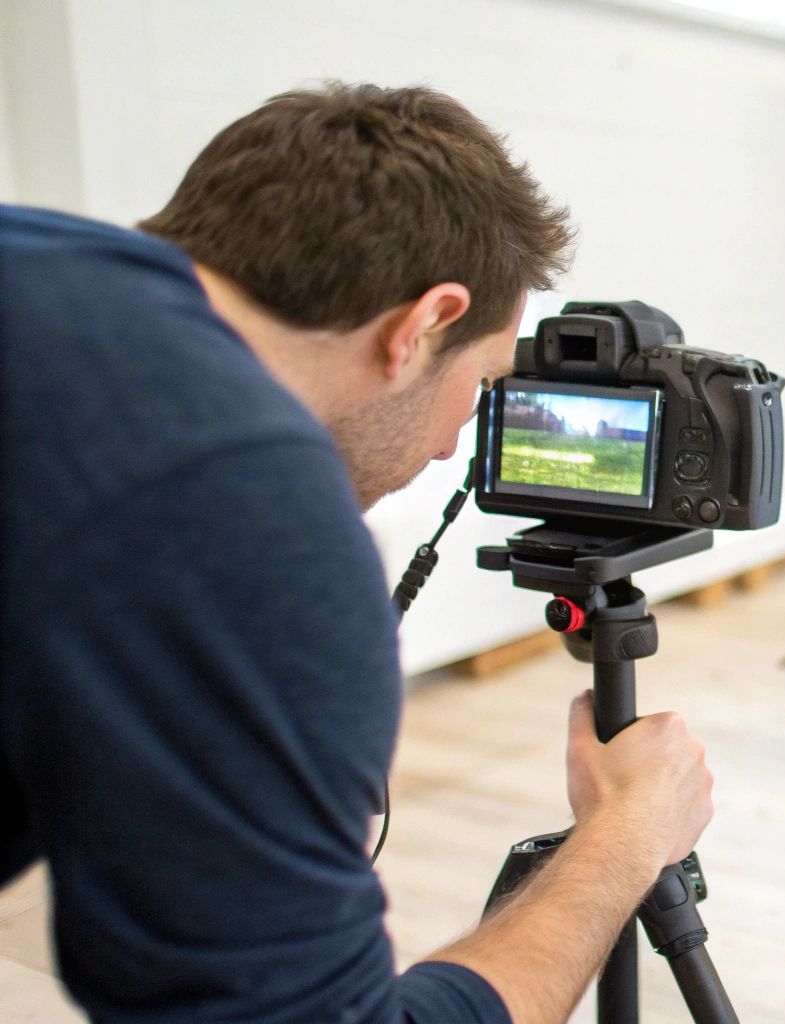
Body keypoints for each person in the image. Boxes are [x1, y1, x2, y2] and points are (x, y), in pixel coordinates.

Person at [0, 83, 713, 1023]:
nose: (460, 439)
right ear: (420, 326)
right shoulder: (245, 505)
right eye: (485, 381)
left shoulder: (36, 253)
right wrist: (627, 838)